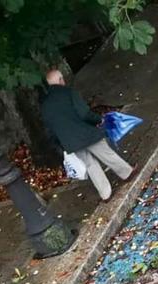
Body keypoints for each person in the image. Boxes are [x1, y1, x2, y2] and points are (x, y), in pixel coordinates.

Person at [40, 69, 135, 201]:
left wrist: (62, 144)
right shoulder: (68, 93)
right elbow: (84, 114)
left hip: (71, 142)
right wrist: (99, 119)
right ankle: (127, 173)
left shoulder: (45, 105)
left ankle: (105, 193)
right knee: (107, 154)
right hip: (87, 134)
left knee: (90, 165)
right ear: (61, 79)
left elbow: (50, 129)